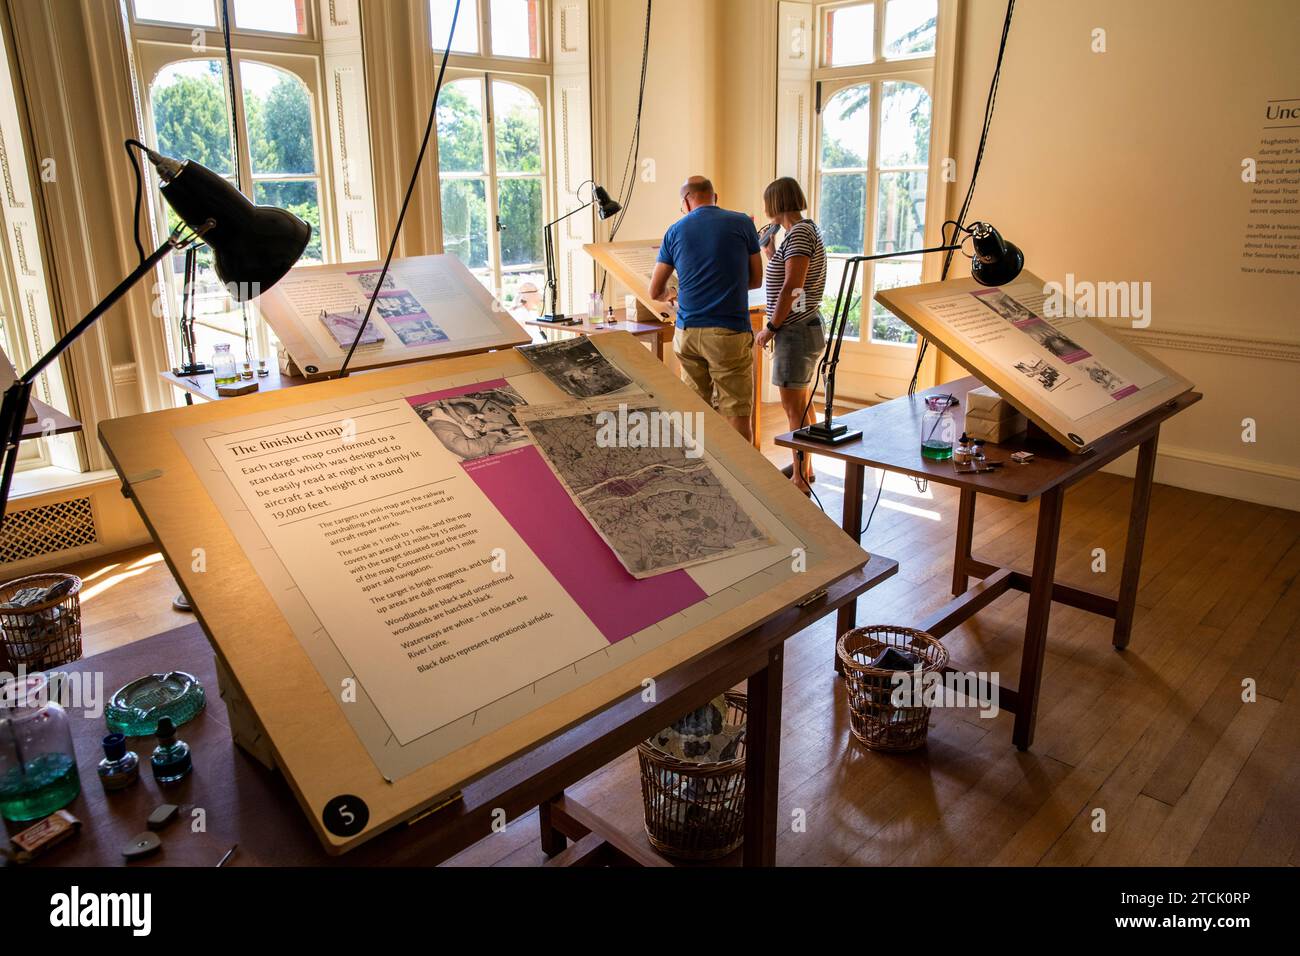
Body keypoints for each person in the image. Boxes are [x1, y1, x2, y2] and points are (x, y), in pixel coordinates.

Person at [649, 176, 763, 442]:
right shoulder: (742, 222)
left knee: (695, 412)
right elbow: (756, 279)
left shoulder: (675, 231)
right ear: (715, 197)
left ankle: (702, 475)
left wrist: (673, 294)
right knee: (736, 411)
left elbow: (655, 292)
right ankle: (742, 481)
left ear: (687, 201)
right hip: (728, 333)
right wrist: (726, 286)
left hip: (687, 333)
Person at [754, 177, 826, 494]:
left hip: (794, 331)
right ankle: (806, 467)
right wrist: (771, 253)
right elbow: (791, 278)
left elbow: (792, 288)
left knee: (792, 408)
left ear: (775, 203)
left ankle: (798, 477)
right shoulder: (803, 232)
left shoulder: (798, 235)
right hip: (804, 326)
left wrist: (770, 328)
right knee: (803, 403)